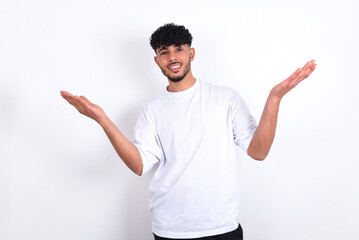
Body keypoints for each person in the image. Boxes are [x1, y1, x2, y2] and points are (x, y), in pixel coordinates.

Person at [60, 23, 317, 240]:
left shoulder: (225, 98)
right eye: (164, 52)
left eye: (179, 49)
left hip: (221, 227)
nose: (172, 57)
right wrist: (102, 119)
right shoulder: (152, 109)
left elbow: (258, 151)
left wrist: (274, 99)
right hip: (170, 230)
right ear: (157, 60)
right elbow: (139, 165)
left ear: (191, 53)